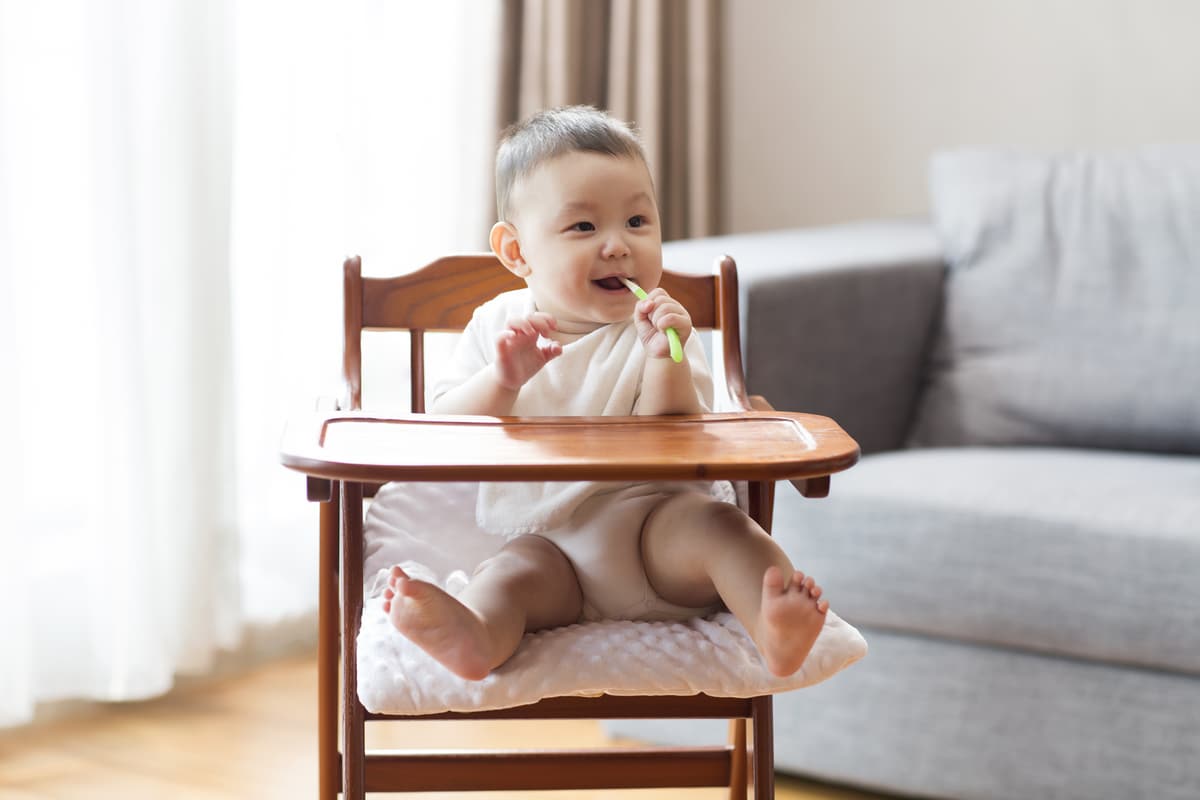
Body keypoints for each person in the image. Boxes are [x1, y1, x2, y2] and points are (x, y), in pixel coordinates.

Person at [382, 105, 828, 681]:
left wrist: (663, 353)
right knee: (508, 577)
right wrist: (504, 380)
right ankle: (475, 634)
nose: (618, 245)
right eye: (584, 227)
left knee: (725, 529)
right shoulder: (497, 329)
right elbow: (444, 428)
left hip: (659, 529)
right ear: (517, 252)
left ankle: (774, 622)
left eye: (638, 222)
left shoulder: (662, 325)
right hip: (552, 544)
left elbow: (677, 428)